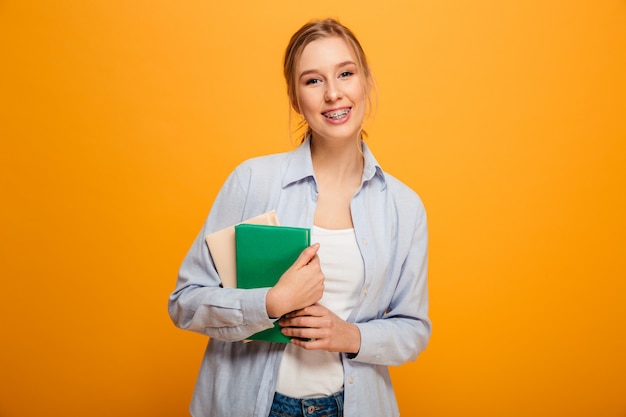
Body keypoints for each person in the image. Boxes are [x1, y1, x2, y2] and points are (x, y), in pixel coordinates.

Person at [169, 17, 431, 417]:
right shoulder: (253, 181)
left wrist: (349, 335)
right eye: (313, 81)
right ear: (295, 98)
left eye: (345, 73)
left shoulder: (404, 206)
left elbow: (413, 329)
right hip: (252, 406)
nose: (333, 93)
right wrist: (271, 303)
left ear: (365, 81)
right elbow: (185, 303)